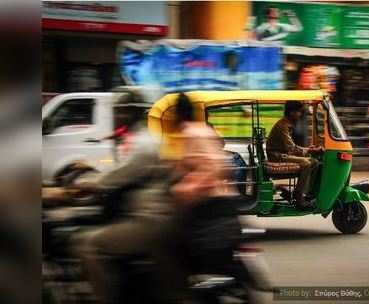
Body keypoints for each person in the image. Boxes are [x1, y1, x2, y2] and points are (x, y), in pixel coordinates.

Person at [73, 93, 233, 303]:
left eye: (121, 110)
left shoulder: (161, 138)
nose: (117, 115)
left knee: (89, 244)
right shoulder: (203, 130)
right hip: (211, 204)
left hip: (169, 211)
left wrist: (90, 183)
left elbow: (126, 172)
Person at [266, 100, 323, 208]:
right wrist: (309, 150)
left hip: (283, 155)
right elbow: (291, 148)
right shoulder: (282, 125)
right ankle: (298, 195)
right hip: (277, 157)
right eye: (299, 112)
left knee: (314, 162)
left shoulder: (287, 124)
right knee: (306, 163)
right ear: (292, 112)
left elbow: (291, 147)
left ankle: (308, 192)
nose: (300, 114)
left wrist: (307, 149)